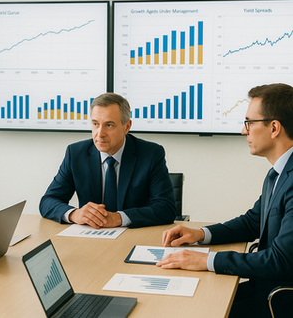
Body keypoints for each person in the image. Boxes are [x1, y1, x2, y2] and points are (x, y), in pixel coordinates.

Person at [157, 83, 293, 317]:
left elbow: (280, 260)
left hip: (279, 301)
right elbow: (253, 221)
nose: (244, 131)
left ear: (274, 128)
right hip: (266, 288)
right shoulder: (279, 173)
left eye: (249, 123)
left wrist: (207, 260)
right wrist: (201, 234)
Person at [39, 92, 176, 229]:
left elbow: (166, 208)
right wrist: (75, 214)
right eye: (95, 124)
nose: (100, 133)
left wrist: (119, 218)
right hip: (90, 237)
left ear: (126, 127)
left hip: (133, 236)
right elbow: (48, 201)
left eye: (109, 125)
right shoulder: (75, 154)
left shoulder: (151, 154)